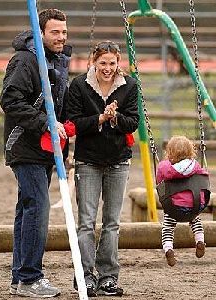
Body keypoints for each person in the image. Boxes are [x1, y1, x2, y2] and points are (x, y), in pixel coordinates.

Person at [0, 8, 71, 298]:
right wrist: (46, 123)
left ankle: (20, 278)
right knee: (37, 209)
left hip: (46, 149)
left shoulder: (59, 61)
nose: (61, 37)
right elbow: (10, 100)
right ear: (40, 31)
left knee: (27, 209)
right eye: (55, 32)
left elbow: (58, 107)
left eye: (64, 32)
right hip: (24, 146)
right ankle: (30, 277)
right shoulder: (25, 60)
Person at [66, 40, 139, 297]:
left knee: (112, 222)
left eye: (112, 63)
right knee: (86, 222)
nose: (107, 68)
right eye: (103, 63)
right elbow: (73, 122)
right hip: (88, 161)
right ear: (93, 62)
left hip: (118, 160)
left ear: (118, 62)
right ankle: (84, 275)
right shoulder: (79, 86)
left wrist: (115, 118)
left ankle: (108, 276)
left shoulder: (129, 86)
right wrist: (100, 118)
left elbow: (133, 122)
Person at [156, 136, 210, 267]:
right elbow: (204, 177)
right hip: (195, 205)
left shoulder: (164, 167)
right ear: (191, 151)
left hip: (174, 207)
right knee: (196, 220)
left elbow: (159, 182)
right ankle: (200, 241)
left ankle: (168, 249)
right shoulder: (195, 165)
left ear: (169, 153)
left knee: (167, 227)